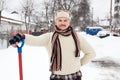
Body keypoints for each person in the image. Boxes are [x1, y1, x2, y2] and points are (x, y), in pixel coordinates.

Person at [9, 10, 96, 80]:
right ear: (56, 22)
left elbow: (91, 53)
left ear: (69, 22)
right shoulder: (50, 37)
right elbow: (35, 40)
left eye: (65, 20)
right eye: (60, 20)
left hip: (75, 76)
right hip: (57, 77)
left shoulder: (77, 37)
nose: (63, 23)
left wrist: (79, 64)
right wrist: (22, 37)